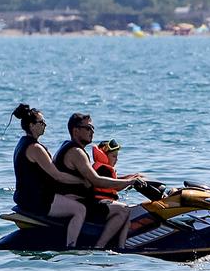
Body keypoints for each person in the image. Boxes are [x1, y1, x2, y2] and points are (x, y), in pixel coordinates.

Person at [53, 114, 143, 250]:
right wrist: (129, 183)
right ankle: (100, 247)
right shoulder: (76, 152)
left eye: (93, 128)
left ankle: (121, 246)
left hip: (77, 201)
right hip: (80, 203)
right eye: (88, 128)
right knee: (124, 210)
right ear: (75, 130)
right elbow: (97, 181)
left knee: (124, 208)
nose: (92, 132)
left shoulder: (67, 147)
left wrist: (129, 179)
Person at [10, 103, 93, 248]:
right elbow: (58, 176)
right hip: (38, 201)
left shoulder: (22, 143)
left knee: (72, 199)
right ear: (31, 125)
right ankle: (71, 246)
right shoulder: (35, 149)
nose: (45, 125)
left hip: (25, 197)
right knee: (80, 210)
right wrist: (81, 181)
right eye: (41, 122)